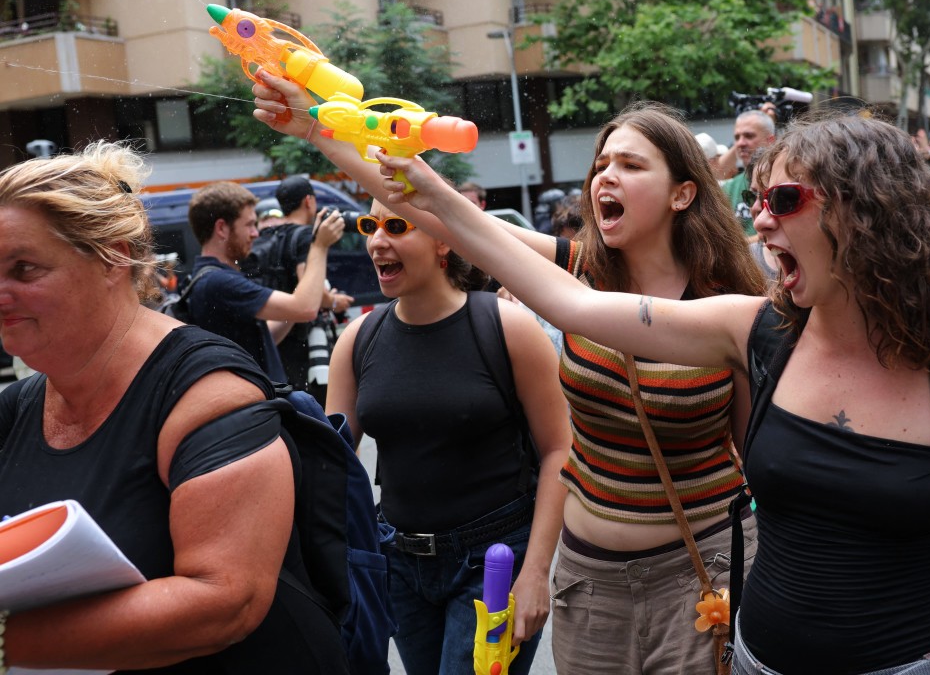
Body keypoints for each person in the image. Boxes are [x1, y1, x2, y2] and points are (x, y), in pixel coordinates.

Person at [374, 111, 930, 675]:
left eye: (783, 198)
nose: (761, 218)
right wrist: (420, 185)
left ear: (867, 210)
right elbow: (573, 305)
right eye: (757, 199)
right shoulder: (755, 331)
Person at [251, 77, 766, 675]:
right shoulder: (575, 269)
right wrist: (316, 127)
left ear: (683, 193)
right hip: (590, 583)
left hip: (701, 571)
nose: (605, 177)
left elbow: (755, 459)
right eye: (601, 165)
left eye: (630, 165)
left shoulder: (729, 303)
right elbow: (436, 211)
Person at [0, 142, 348, 673]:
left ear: (113, 257)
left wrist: (8, 640)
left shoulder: (210, 397)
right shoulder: (18, 408)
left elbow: (224, 602)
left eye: (23, 269)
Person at [326, 201, 570, 675]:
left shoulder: (507, 326)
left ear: (443, 240)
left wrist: (537, 571)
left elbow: (560, 450)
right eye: (370, 225)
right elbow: (330, 465)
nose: (377, 241)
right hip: (397, 565)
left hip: (493, 563)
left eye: (397, 225)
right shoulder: (357, 339)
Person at [186, 181, 344, 383]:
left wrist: (293, 294)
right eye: (249, 225)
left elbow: (266, 338)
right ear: (222, 228)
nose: (255, 233)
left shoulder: (214, 277)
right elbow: (306, 309)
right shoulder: (218, 282)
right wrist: (320, 245)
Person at [245, 175, 354, 402]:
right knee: (308, 399)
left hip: (271, 331)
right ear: (308, 201)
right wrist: (335, 302)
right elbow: (312, 292)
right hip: (298, 336)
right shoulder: (304, 235)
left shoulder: (268, 234)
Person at [722, 109, 776, 236]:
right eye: (737, 137)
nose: (740, 143)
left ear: (770, 140)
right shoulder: (729, 188)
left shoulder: (782, 182)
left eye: (749, 136)